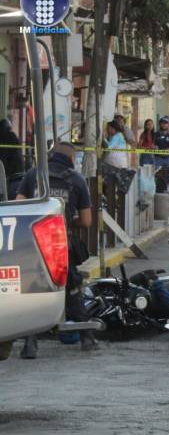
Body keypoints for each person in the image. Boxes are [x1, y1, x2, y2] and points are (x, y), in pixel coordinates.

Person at [16, 142, 98, 356]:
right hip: (60, 242)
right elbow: (87, 221)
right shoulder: (77, 180)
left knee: (34, 288)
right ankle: (87, 337)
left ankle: (30, 342)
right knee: (71, 286)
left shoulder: (32, 175)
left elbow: (18, 205)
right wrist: (67, 222)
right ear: (71, 159)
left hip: (32, 242)